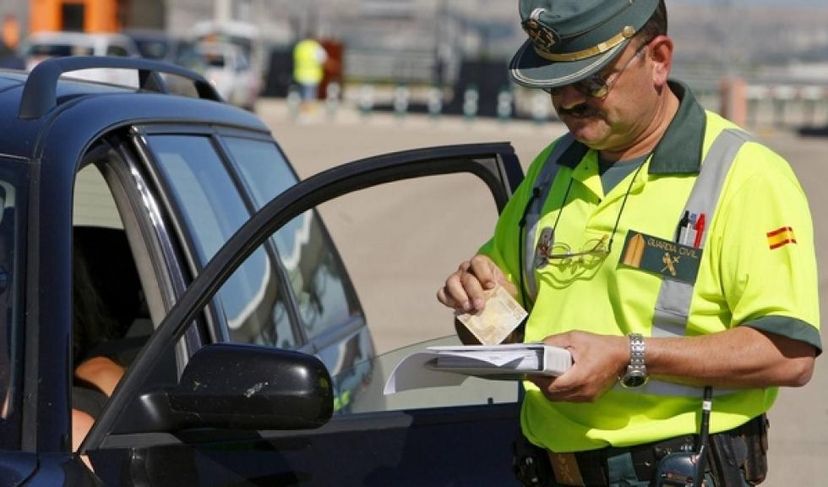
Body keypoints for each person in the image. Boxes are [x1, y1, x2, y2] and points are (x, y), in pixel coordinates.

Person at [437, 1, 820, 485]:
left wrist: (629, 356)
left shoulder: (743, 175)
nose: (569, 100)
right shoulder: (552, 169)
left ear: (658, 58)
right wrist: (476, 303)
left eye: (592, 80)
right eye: (554, 83)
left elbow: (788, 353)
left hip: (673, 471)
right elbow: (500, 325)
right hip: (545, 467)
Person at [292, 36, 328, 106]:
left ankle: (301, 108)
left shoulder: (300, 46)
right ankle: (307, 110)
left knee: (302, 93)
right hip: (312, 75)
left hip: (300, 74)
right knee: (309, 95)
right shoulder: (315, 47)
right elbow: (323, 60)